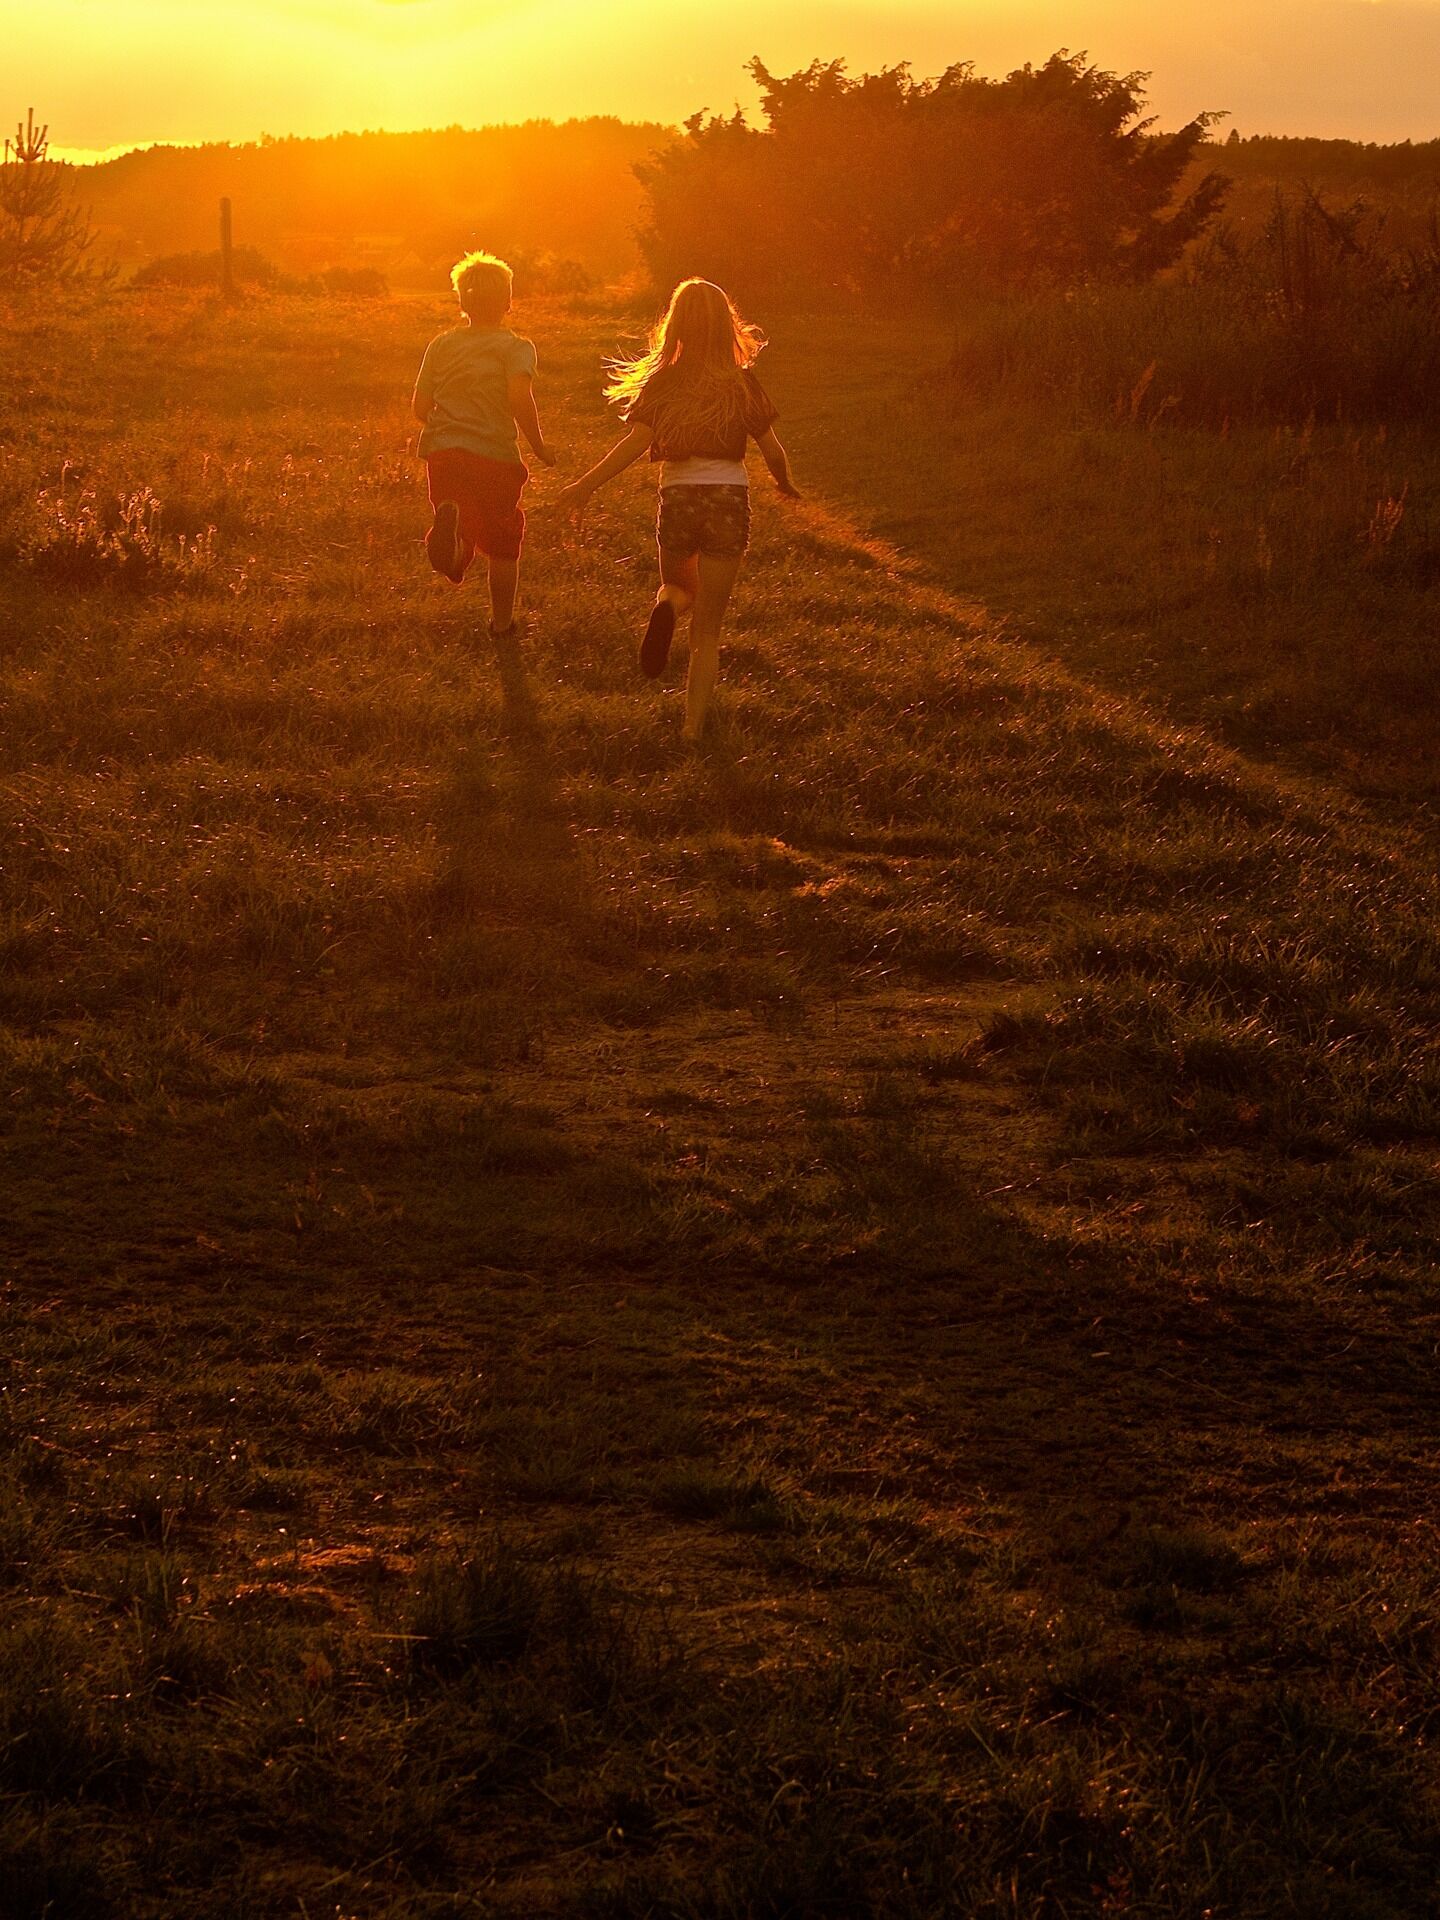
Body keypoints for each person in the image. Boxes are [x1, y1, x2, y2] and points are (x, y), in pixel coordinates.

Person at [556, 278, 799, 741]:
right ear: (725, 325)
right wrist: (784, 483)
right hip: (727, 498)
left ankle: (667, 606)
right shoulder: (741, 383)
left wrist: (584, 486)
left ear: (676, 326)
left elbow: (635, 443)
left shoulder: (665, 382)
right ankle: (692, 729)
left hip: (679, 496)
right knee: (707, 629)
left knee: (679, 586)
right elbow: (772, 449)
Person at [412, 249, 555, 637]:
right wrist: (538, 445)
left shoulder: (441, 345)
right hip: (495, 456)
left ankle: (454, 543)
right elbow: (519, 398)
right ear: (508, 302)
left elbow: (420, 406)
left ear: (462, 301)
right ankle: (502, 624)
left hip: (443, 453)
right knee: (503, 542)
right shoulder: (516, 347)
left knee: (464, 524)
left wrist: (449, 427)